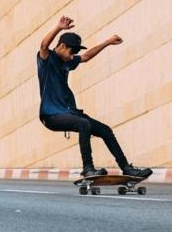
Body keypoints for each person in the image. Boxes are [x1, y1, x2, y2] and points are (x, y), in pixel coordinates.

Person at [37, 15, 152, 179]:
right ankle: (88, 168)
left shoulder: (68, 61)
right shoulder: (46, 59)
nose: (73, 56)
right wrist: (58, 27)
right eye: (72, 51)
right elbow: (43, 45)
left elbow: (86, 57)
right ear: (62, 46)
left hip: (69, 112)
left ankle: (126, 168)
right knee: (83, 124)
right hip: (51, 115)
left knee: (105, 130)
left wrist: (107, 42)